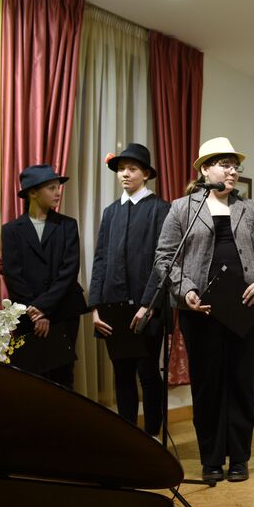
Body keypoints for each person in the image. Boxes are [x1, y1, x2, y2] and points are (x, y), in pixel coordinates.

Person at [154, 137, 254, 483]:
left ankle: (239, 457)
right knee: (207, 386)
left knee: (242, 383)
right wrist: (186, 290)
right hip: (201, 312)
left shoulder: (249, 209)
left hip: (244, 310)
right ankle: (210, 460)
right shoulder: (183, 209)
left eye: (235, 165)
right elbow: (164, 258)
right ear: (205, 169)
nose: (232, 171)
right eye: (225, 164)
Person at [89, 143, 171, 436]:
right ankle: (128, 437)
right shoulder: (111, 212)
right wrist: (95, 308)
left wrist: (148, 304)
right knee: (122, 374)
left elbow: (163, 262)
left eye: (132, 168)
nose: (125, 173)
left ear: (146, 174)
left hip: (148, 306)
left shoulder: (160, 209)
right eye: (121, 169)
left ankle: (152, 436)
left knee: (148, 373)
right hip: (113, 306)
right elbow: (100, 260)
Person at [1, 164, 87, 389]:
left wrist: (44, 308)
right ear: (33, 192)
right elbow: (13, 275)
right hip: (27, 313)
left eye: (58, 187)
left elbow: (69, 271)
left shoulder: (68, 225)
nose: (58, 192)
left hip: (64, 310)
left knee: (63, 376)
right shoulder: (11, 230)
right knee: (30, 377)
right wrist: (36, 312)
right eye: (51, 188)